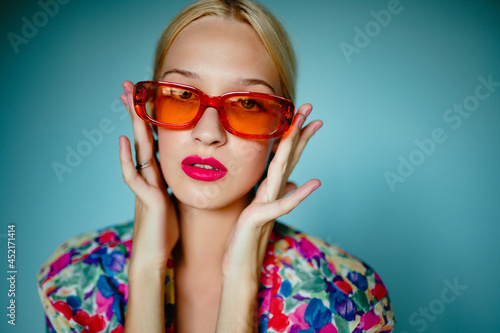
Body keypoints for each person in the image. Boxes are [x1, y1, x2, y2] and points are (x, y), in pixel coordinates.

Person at [37, 0, 396, 332]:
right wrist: (145, 270)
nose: (208, 133)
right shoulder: (78, 277)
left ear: (282, 132)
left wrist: (241, 282)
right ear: (150, 114)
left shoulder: (344, 297)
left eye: (248, 104)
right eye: (181, 96)